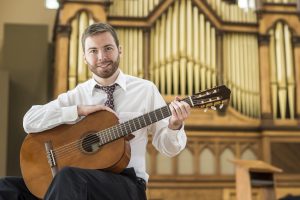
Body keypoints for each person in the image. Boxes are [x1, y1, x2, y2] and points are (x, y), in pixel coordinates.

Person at [0, 22, 190, 200]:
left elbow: (168, 148)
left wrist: (174, 125)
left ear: (119, 50)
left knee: (68, 178)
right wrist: (79, 110)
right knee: (5, 188)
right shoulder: (77, 95)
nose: (102, 57)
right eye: (93, 51)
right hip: (75, 183)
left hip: (127, 185)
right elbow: (29, 121)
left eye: (108, 48)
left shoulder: (145, 89)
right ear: (84, 57)